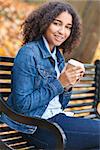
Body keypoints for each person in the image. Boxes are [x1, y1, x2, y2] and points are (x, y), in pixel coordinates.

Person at [0, 1, 100, 149]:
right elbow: (22, 106)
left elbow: (59, 105)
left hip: (55, 120)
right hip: (36, 127)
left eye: (68, 27)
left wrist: (67, 86)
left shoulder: (58, 57)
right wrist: (60, 83)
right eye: (57, 23)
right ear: (45, 22)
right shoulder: (29, 53)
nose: (62, 31)